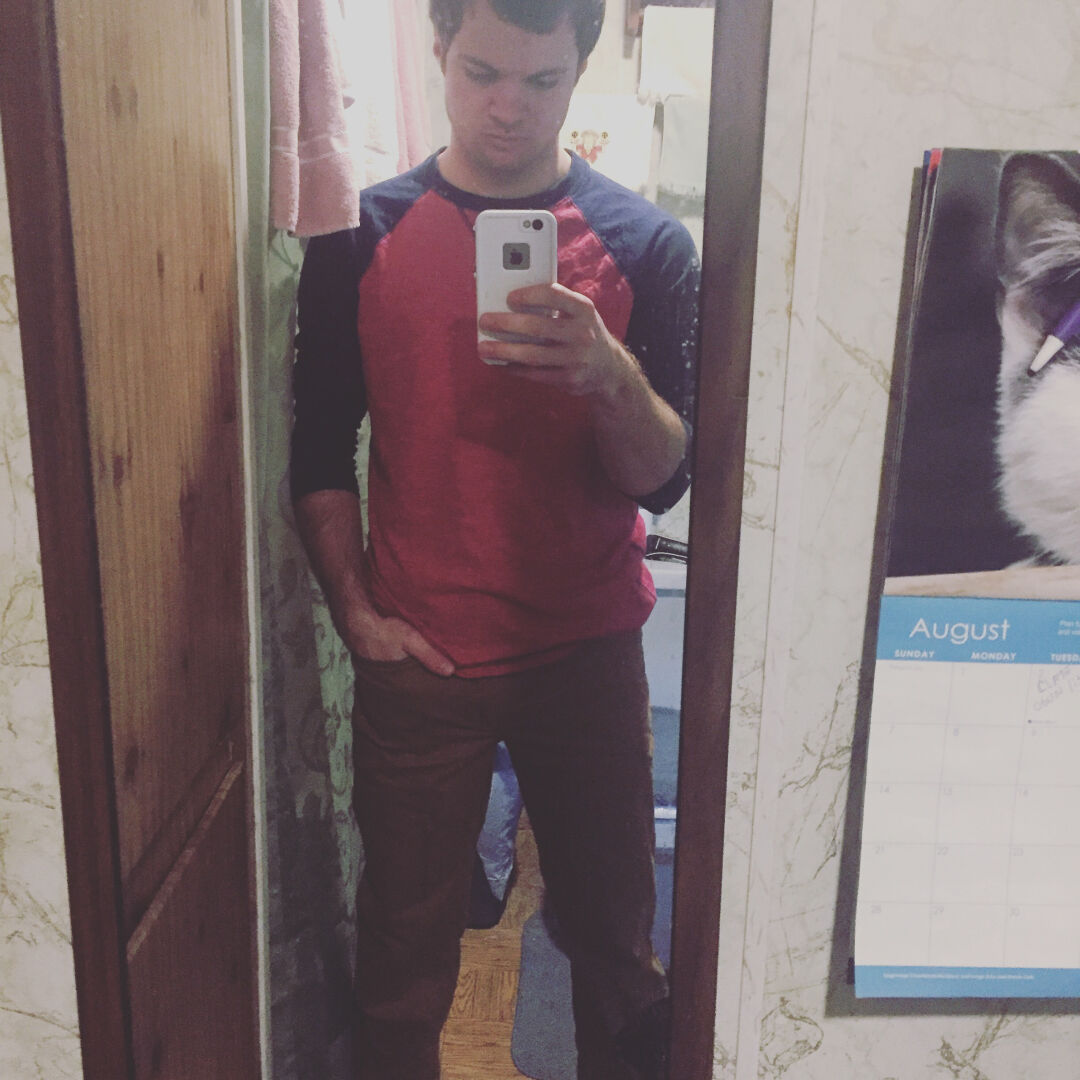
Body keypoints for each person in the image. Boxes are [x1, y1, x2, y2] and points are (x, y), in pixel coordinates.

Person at [289, 0, 699, 1076]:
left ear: (579, 71)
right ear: (437, 54)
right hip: (421, 661)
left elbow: (666, 479)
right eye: (480, 73)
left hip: (588, 653)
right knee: (402, 963)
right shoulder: (359, 233)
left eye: (539, 81)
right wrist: (356, 615)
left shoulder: (647, 245)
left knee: (617, 949)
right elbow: (318, 447)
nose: (507, 108)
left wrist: (611, 378)